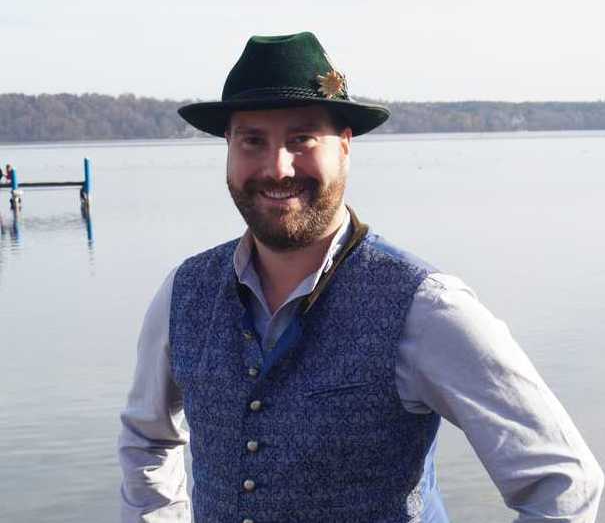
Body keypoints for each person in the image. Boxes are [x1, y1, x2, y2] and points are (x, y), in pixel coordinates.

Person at [119, 32, 603, 523]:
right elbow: (146, 440)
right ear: (229, 147)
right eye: (253, 141)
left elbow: (563, 482)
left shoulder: (424, 306)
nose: (277, 167)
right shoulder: (184, 292)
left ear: (345, 146)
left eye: (301, 139)